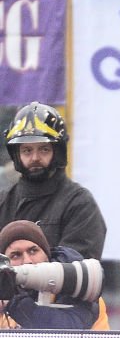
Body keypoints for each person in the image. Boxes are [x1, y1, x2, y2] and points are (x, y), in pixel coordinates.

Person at [0, 102, 107, 260]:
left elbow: (76, 267)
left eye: (44, 149)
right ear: (16, 155)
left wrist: (17, 274)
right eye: (27, 150)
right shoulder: (3, 202)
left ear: (58, 152)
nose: (35, 158)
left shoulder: (79, 203)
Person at [0, 220, 99, 330]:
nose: (27, 261)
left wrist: (16, 304)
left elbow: (68, 334)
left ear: (47, 254)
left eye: (33, 251)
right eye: (16, 255)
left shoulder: (83, 290)